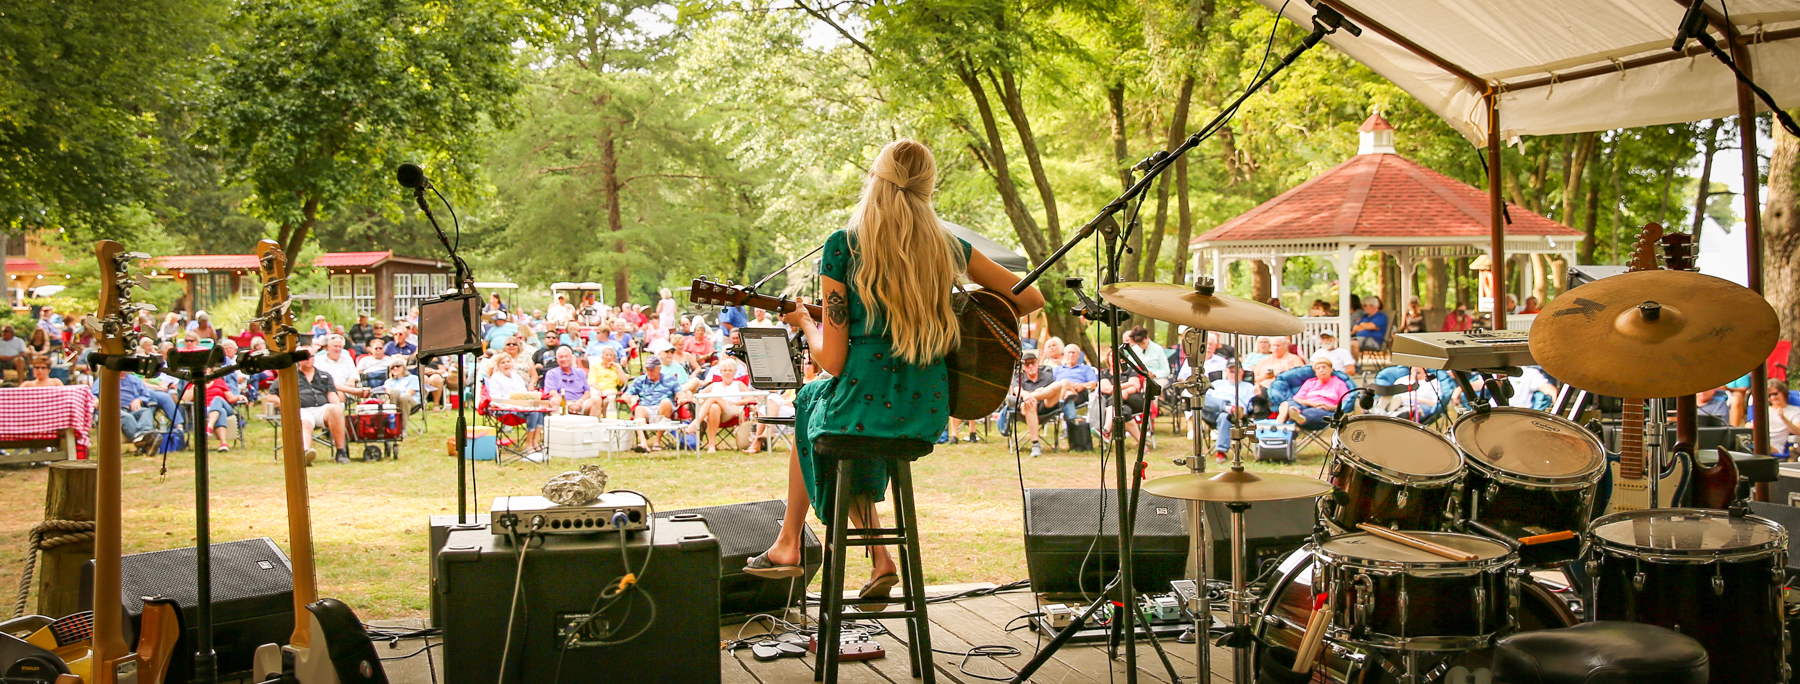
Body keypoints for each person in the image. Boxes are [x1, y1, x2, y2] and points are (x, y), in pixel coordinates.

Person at [747, 139, 1044, 599]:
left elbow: (833, 361)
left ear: (874, 180)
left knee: (812, 403)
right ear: (928, 188)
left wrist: (806, 322)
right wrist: (959, 316)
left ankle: (790, 542)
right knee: (845, 432)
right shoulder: (949, 247)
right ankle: (878, 558)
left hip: (862, 402)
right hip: (924, 408)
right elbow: (1030, 298)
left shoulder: (844, 246)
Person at [269, 348, 351, 464]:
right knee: (305, 421)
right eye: (304, 357)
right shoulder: (289, 375)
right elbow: (271, 396)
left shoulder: (324, 375)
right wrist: (286, 405)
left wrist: (337, 405)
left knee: (336, 409)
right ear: (298, 360)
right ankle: (306, 453)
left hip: (321, 409)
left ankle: (341, 452)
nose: (308, 359)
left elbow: (331, 394)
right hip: (300, 409)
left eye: (311, 356)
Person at [686, 356, 755, 453]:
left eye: (730, 370)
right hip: (716, 413)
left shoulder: (739, 384)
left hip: (733, 411)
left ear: (734, 372)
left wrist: (736, 402)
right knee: (714, 407)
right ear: (721, 372)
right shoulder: (715, 385)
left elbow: (751, 398)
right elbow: (698, 397)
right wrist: (701, 402)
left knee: (713, 397)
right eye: (725, 370)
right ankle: (711, 446)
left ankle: (695, 423)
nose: (727, 373)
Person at [484, 352, 544, 454]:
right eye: (503, 362)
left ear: (512, 363)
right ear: (498, 365)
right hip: (505, 409)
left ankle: (535, 442)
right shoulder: (495, 378)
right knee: (533, 413)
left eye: (508, 362)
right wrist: (512, 402)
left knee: (540, 411)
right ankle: (529, 444)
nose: (506, 364)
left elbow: (523, 393)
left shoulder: (517, 377)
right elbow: (495, 399)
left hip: (521, 406)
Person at [1202, 361, 1258, 463]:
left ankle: (1221, 452)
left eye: (1236, 371)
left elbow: (1251, 405)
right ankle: (1227, 407)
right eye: (1231, 371)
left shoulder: (1249, 387)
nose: (1233, 374)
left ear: (1242, 372)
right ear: (1226, 372)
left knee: (1224, 416)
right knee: (1199, 399)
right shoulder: (1217, 383)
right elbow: (1204, 400)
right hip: (1212, 413)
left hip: (1234, 416)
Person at [621, 356, 682, 452]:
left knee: (665, 402)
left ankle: (657, 441)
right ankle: (643, 443)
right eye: (647, 369)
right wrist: (629, 398)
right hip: (646, 408)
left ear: (659, 368)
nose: (649, 372)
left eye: (652, 370)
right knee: (638, 409)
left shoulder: (670, 379)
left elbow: (680, 393)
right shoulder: (640, 380)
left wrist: (681, 398)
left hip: (664, 409)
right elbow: (624, 395)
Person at [1007, 350, 1060, 458]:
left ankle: (1032, 396)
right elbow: (1018, 390)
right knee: (1031, 403)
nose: (1030, 366)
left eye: (1033, 363)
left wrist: (1041, 391)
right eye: (1027, 364)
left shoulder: (1047, 375)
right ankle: (1035, 444)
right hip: (1026, 408)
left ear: (1037, 363)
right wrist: (1026, 395)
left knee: (1058, 385)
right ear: (1023, 367)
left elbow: (1053, 390)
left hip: (1046, 406)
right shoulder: (1018, 377)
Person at [1277, 359, 1348, 429]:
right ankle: (1295, 413)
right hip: (1306, 406)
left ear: (1331, 369)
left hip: (1324, 410)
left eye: (1324, 367)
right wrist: (1312, 404)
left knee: (1309, 412)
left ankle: (1291, 416)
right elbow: (1297, 398)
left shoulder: (1339, 383)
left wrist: (1329, 407)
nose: (1321, 370)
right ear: (1315, 373)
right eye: (1318, 368)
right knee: (1290, 401)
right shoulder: (1310, 382)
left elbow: (1346, 403)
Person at [542, 346, 596, 416]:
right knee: (554, 400)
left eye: (566, 356)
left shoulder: (580, 372)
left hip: (580, 402)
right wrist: (567, 403)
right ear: (557, 359)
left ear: (571, 358)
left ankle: (592, 422)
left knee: (596, 400)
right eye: (561, 357)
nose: (564, 359)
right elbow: (553, 393)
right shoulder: (551, 373)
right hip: (562, 403)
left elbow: (587, 393)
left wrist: (580, 401)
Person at [586, 345, 630, 417]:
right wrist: (599, 390)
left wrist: (617, 368)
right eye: (606, 355)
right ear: (602, 356)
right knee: (594, 395)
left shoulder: (617, 367)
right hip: (596, 388)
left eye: (611, 355)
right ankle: (593, 416)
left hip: (610, 389)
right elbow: (592, 381)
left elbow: (623, 382)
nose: (609, 357)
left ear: (614, 357)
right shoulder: (595, 366)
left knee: (609, 396)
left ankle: (608, 417)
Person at [1761, 383, 1800, 458]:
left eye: (1775, 394)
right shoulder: (1763, 410)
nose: (1773, 397)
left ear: (1783, 393)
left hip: (1775, 445)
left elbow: (1798, 431)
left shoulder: (1794, 411)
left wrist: (1783, 418)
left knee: (1762, 446)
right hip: (1758, 441)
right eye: (1769, 395)